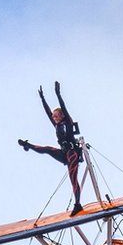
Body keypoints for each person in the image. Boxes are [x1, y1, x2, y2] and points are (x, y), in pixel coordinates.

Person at [18, 81, 84, 216]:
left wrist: (58, 94)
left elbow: (64, 107)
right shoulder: (57, 125)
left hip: (72, 154)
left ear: (62, 116)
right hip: (64, 153)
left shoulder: (68, 123)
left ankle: (78, 204)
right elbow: (48, 112)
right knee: (48, 149)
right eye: (53, 117)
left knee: (73, 178)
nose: (54, 118)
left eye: (56, 116)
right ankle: (28, 145)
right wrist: (42, 99)